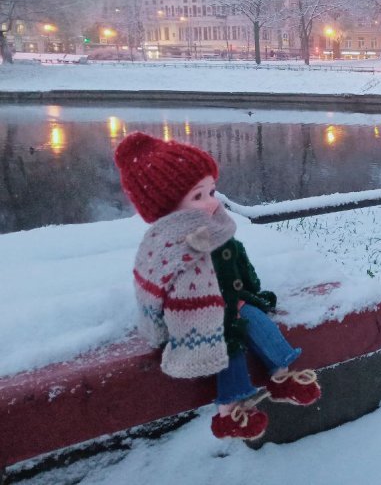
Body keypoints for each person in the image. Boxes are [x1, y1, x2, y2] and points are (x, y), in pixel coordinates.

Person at [114, 132, 321, 441]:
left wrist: (249, 292)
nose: (212, 202)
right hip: (196, 322)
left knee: (260, 323)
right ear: (167, 207)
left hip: (234, 303)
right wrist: (158, 332)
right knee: (227, 347)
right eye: (198, 196)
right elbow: (151, 292)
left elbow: (239, 266)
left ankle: (281, 375)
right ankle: (230, 411)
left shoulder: (218, 231)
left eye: (211, 191)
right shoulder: (164, 248)